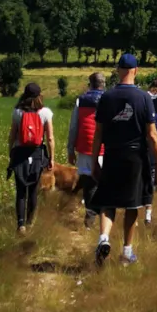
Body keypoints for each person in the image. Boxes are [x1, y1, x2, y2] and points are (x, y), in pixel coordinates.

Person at [91, 54, 157, 266]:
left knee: (108, 201)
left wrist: (95, 160)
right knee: (133, 204)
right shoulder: (144, 98)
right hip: (135, 157)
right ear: (136, 70)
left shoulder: (106, 97)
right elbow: (152, 135)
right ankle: (126, 252)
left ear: (118, 70)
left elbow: (98, 133)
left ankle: (104, 238)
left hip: (112, 154)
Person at [8, 83, 55, 232]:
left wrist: (11, 153)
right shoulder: (45, 113)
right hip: (36, 153)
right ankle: (30, 222)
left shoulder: (17, 112)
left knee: (21, 191)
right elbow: (50, 138)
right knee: (33, 190)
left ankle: (20, 224)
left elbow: (12, 136)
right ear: (39, 96)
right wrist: (51, 158)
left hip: (20, 153)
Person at [67, 71, 105, 226]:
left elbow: (74, 126)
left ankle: (90, 217)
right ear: (104, 84)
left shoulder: (81, 100)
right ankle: (103, 215)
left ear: (90, 84)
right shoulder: (109, 99)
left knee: (88, 182)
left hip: (85, 145)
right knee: (104, 181)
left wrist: (70, 149)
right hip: (104, 146)